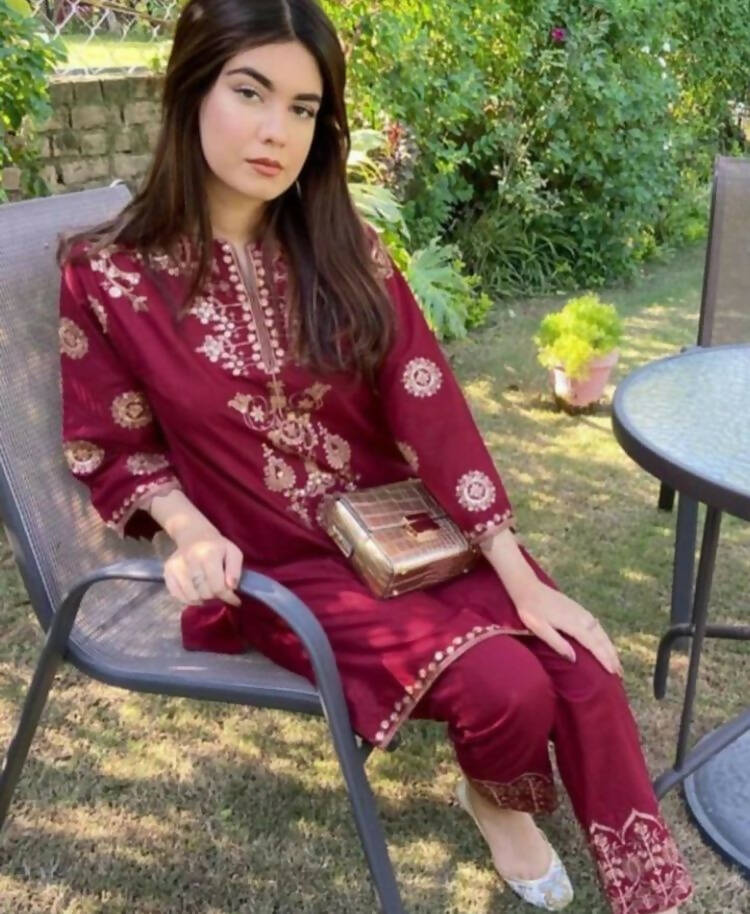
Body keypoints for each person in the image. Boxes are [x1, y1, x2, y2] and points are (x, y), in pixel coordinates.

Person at [57, 1, 693, 911]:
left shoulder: (344, 248)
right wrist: (187, 532)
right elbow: (112, 443)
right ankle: (496, 798)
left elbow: (430, 405)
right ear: (190, 89)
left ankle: (651, 892)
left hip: (405, 531)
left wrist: (518, 574)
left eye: (304, 108)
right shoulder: (107, 274)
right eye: (250, 92)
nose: (277, 132)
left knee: (581, 665)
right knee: (506, 688)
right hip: (272, 566)